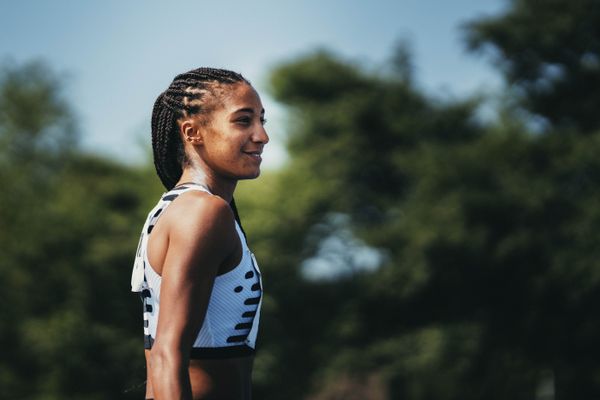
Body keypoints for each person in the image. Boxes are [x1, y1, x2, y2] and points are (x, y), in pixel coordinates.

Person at [130, 67, 268, 400]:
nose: (262, 135)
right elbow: (167, 354)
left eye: (263, 120)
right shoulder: (202, 212)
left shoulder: (179, 208)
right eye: (243, 121)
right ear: (193, 132)